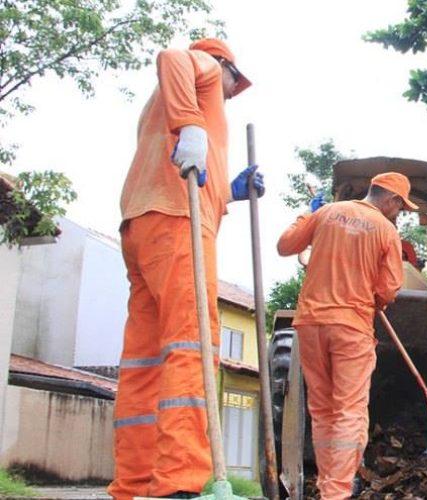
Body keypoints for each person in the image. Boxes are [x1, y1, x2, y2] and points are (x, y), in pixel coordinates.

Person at [109, 38, 262, 500]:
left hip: (142, 223)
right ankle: (178, 482)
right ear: (225, 67)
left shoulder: (159, 107)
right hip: (178, 223)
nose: (232, 94)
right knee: (191, 346)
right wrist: (191, 125)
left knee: (144, 360)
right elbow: (171, 57)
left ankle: (133, 482)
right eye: (235, 83)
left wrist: (231, 191)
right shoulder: (204, 71)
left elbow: (188, 166)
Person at [276, 172, 414, 499]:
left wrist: (308, 213)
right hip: (351, 328)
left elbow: (285, 246)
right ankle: (337, 493)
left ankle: (329, 490)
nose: (400, 213)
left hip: (310, 324)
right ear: (391, 199)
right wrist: (374, 298)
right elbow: (390, 288)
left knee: (322, 410)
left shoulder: (325, 214)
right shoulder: (386, 231)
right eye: (401, 207)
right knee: (349, 411)